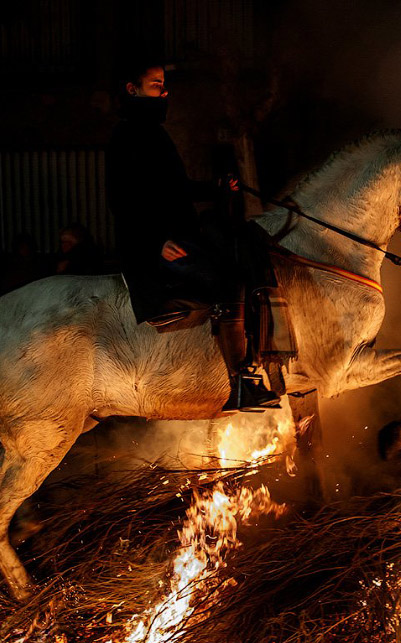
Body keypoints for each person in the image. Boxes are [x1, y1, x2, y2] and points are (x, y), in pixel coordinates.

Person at [105, 61, 279, 412]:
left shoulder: (152, 132)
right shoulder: (127, 136)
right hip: (154, 248)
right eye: (156, 84)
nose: (164, 91)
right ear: (131, 89)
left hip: (173, 236)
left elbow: (174, 189)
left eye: (164, 84)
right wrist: (156, 243)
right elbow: (124, 199)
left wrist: (216, 189)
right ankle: (240, 384)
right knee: (227, 282)